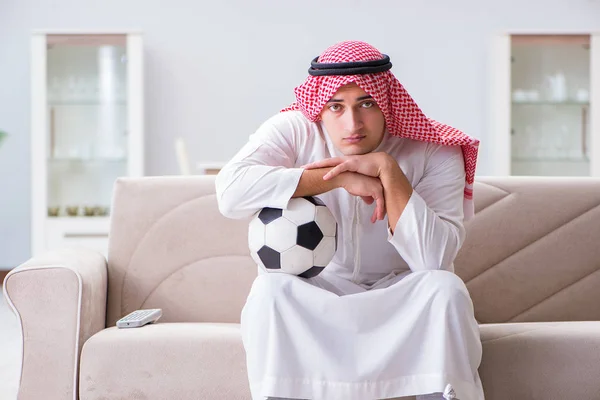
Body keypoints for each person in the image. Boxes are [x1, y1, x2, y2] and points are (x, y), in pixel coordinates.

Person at [215, 40, 484, 400]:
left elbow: (433, 259)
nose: (352, 123)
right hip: (320, 296)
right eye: (336, 106)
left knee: (446, 289)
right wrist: (339, 176)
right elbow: (230, 193)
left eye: (367, 104)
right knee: (269, 292)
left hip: (400, 296)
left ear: (387, 102)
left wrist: (389, 171)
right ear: (318, 107)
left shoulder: (434, 148)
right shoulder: (295, 130)